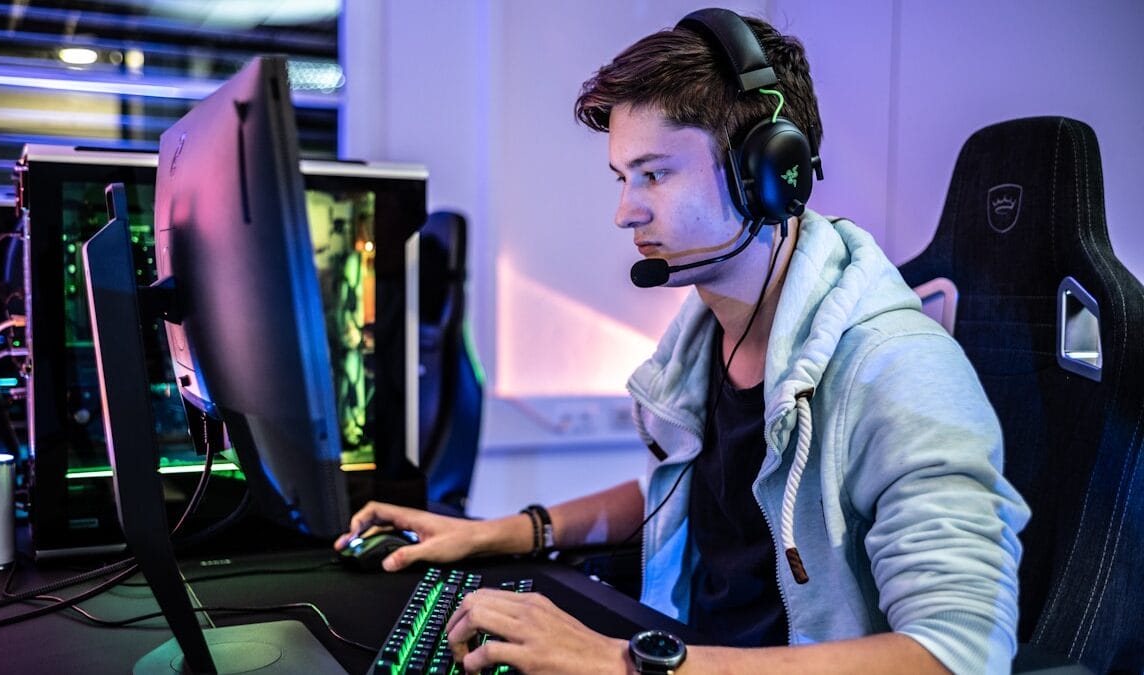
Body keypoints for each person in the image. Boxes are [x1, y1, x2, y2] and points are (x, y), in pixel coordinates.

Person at [336, 8, 1029, 674]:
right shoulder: (705, 340)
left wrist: (621, 661)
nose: (624, 210)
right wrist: (501, 532)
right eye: (622, 177)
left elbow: (956, 654)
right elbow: (685, 492)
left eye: (655, 174)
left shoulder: (897, 370)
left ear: (766, 173)